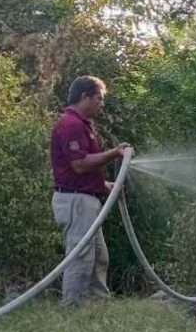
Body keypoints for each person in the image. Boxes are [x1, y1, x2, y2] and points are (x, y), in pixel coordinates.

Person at [49, 75, 133, 305]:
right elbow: (80, 164)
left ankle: (98, 306)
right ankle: (72, 309)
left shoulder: (81, 124)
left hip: (83, 199)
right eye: (98, 98)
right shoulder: (71, 124)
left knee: (98, 258)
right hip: (75, 202)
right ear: (84, 96)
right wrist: (115, 153)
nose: (101, 104)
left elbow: (80, 170)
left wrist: (105, 185)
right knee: (80, 257)